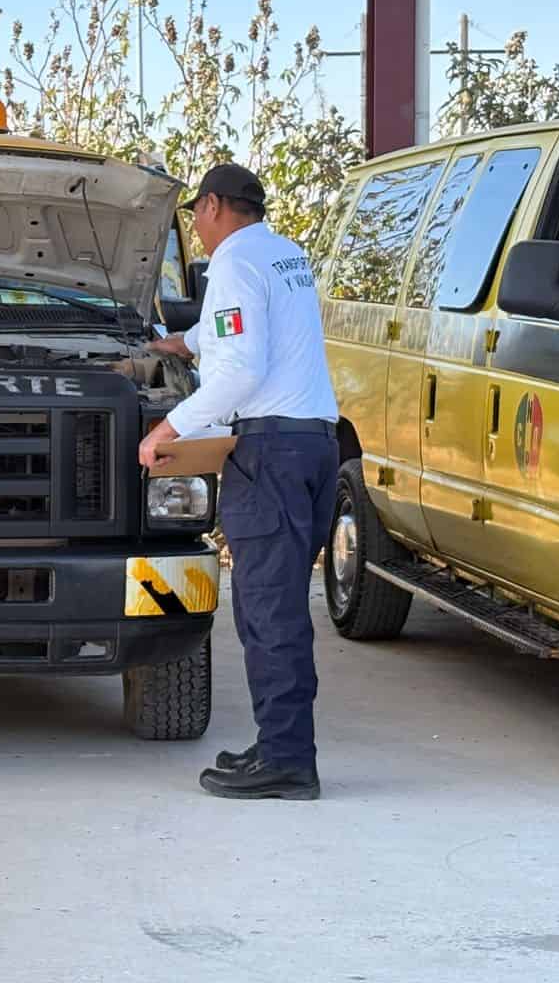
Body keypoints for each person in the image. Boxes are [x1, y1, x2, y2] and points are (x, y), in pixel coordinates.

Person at [139, 164, 339, 801]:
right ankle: (278, 745)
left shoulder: (230, 262)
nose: (195, 225)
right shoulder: (284, 255)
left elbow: (241, 370)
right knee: (279, 608)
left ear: (218, 206)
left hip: (270, 451)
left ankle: (286, 762)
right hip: (311, 444)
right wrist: (183, 342)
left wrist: (168, 429)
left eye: (198, 212)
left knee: (269, 611)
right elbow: (243, 335)